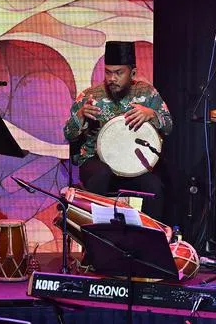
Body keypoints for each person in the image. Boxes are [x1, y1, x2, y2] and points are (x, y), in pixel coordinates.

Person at [63, 41, 173, 219]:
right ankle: (97, 232)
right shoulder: (90, 96)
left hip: (135, 166)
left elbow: (168, 127)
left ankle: (149, 234)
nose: (112, 78)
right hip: (96, 162)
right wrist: (81, 115)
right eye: (108, 72)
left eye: (118, 73)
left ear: (133, 73)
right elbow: (68, 134)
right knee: (101, 176)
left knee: (154, 187)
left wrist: (152, 114)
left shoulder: (147, 93)